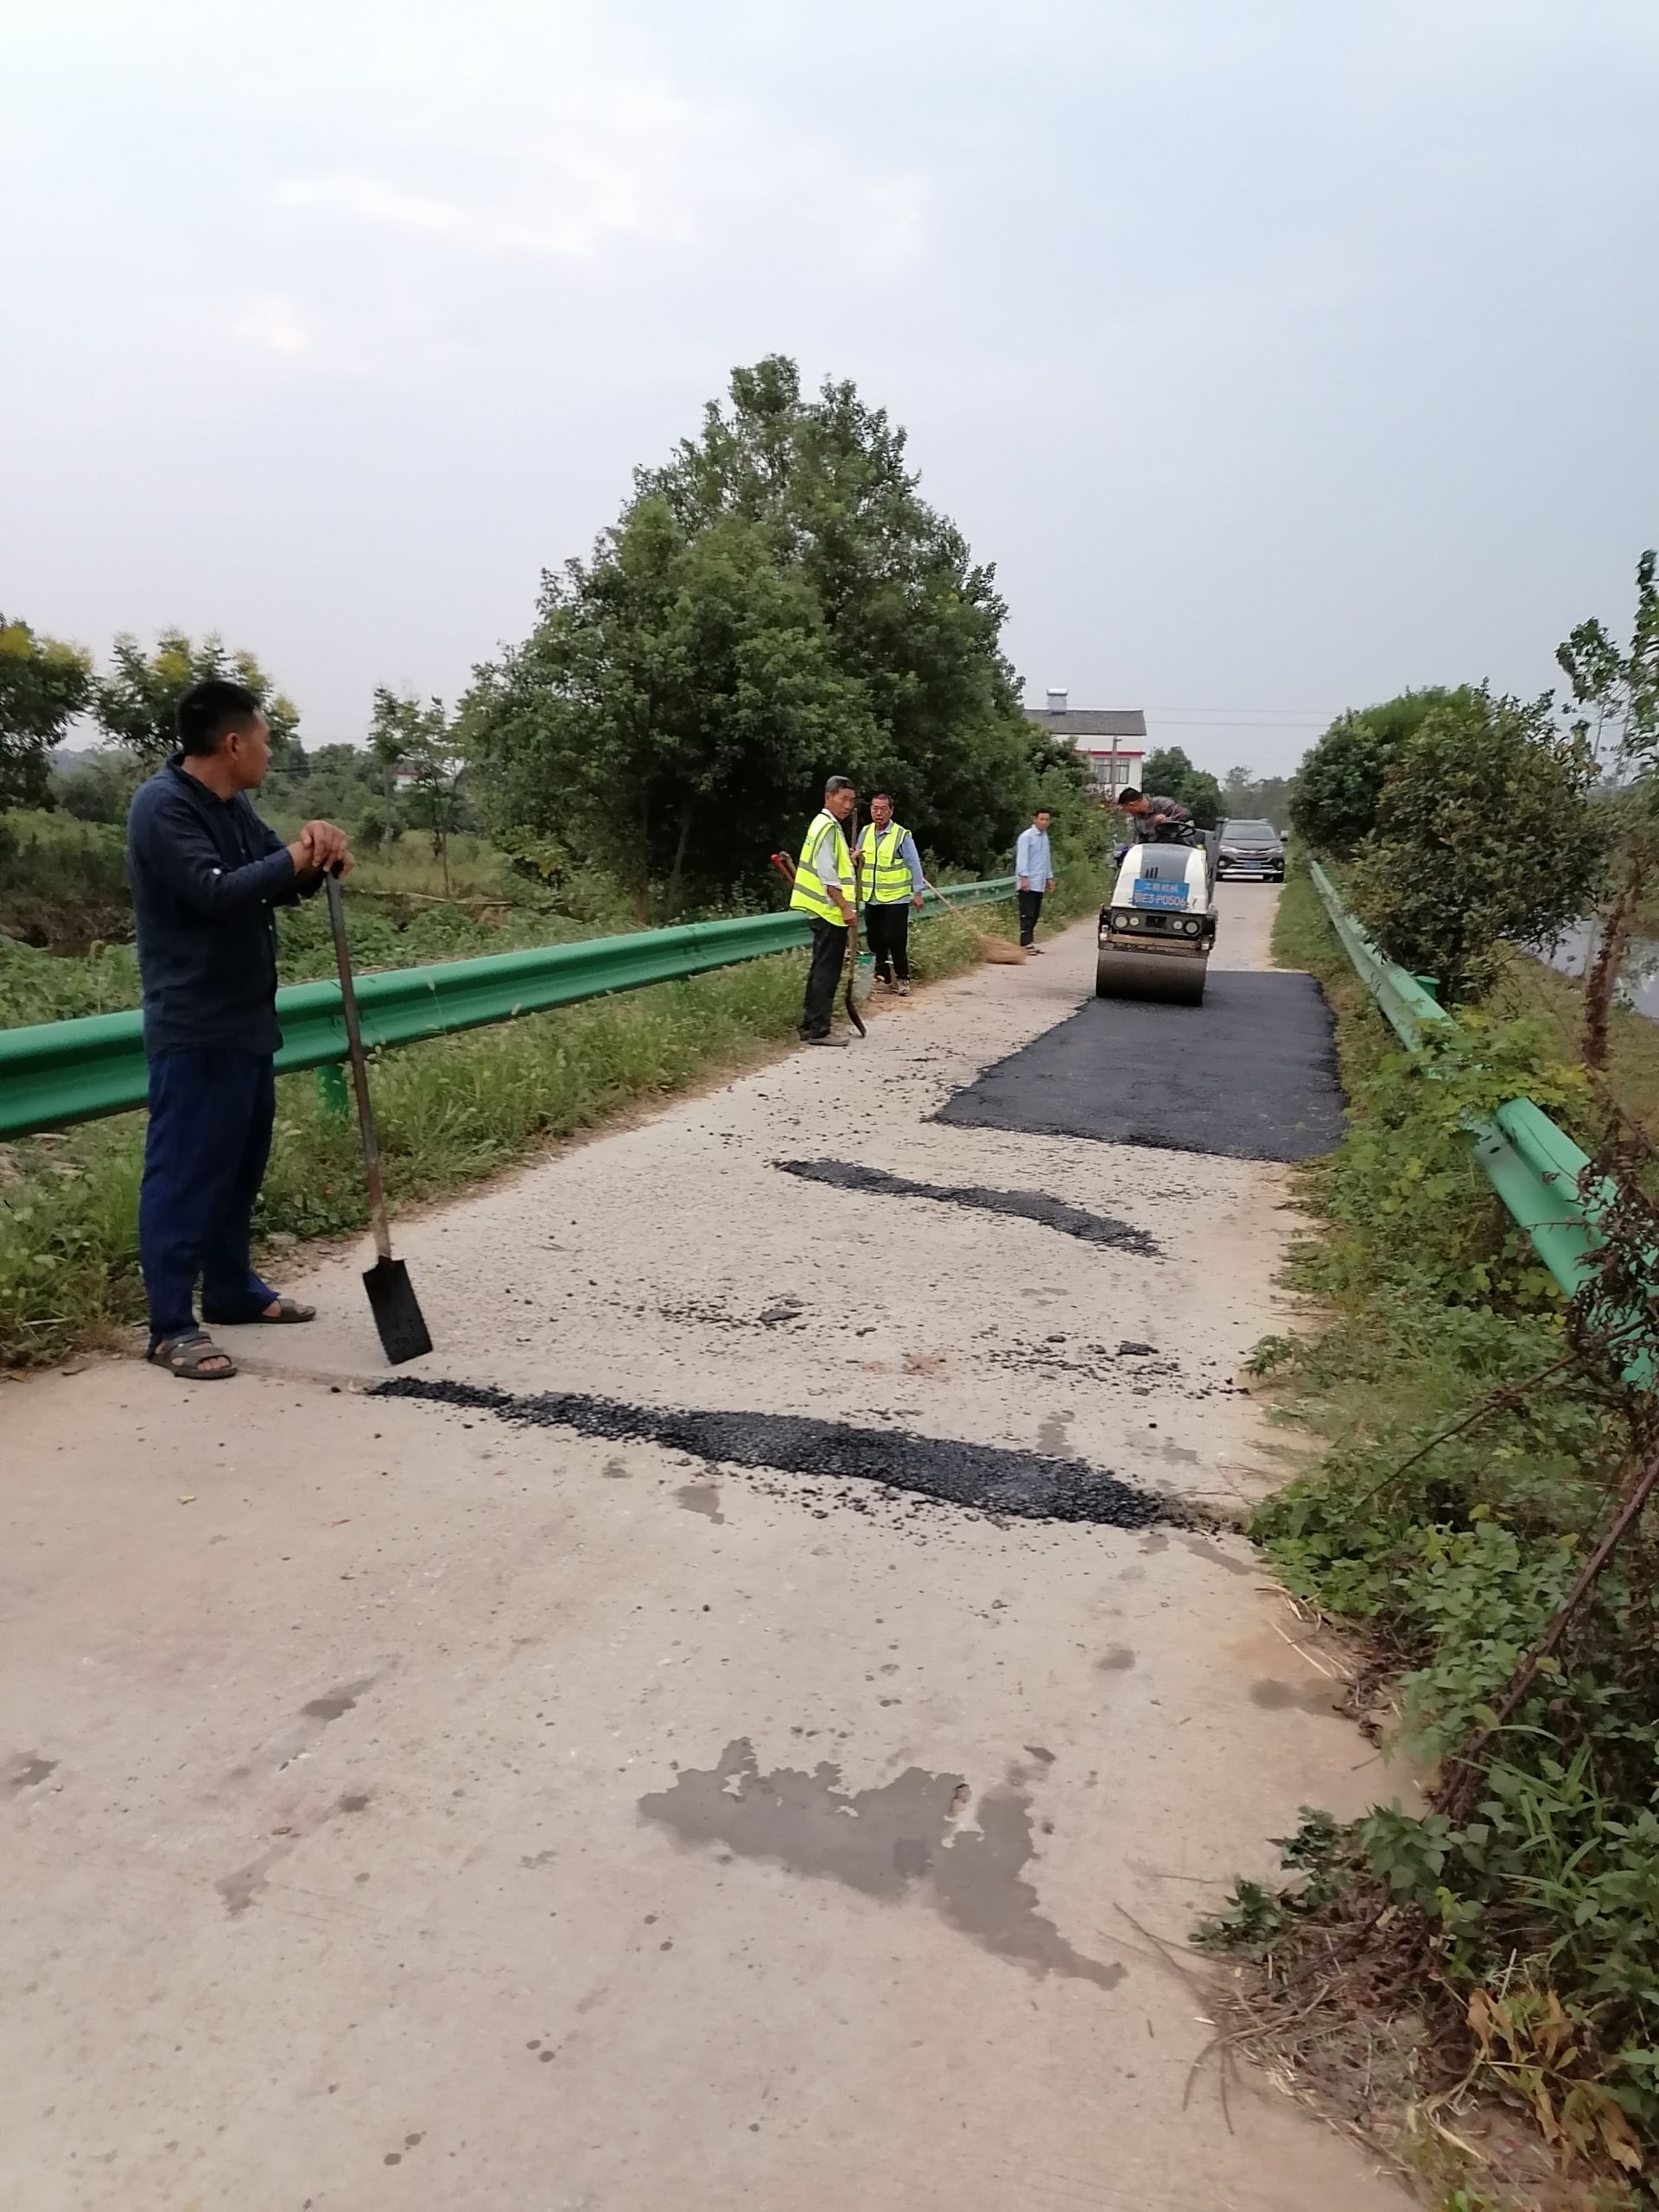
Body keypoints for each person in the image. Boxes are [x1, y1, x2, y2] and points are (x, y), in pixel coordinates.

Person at [126, 679, 354, 1379]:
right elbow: (218, 891)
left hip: (247, 1018)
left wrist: (316, 858)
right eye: (262, 737)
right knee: (186, 1173)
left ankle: (231, 1291)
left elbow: (273, 881)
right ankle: (170, 1325)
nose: (268, 749)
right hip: (196, 1023)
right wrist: (293, 852)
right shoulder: (162, 809)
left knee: (238, 1165)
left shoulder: (234, 803)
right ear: (233, 743)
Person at [790, 774, 858, 1046]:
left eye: (852, 801)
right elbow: (828, 876)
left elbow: (833, 864)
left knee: (820, 967)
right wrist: (846, 908)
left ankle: (810, 1024)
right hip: (830, 910)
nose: (848, 805)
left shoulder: (823, 825)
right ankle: (819, 1029)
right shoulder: (828, 827)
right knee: (826, 971)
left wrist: (851, 860)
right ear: (828, 797)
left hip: (822, 910)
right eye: (844, 799)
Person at [856, 793, 925, 995]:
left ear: (891, 811)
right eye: (875, 808)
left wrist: (918, 892)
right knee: (875, 939)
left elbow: (914, 864)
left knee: (895, 938)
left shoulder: (901, 835)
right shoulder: (865, 832)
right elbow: (858, 860)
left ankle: (902, 978)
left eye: (883, 809)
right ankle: (883, 977)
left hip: (896, 898)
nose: (878, 813)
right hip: (872, 896)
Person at [1014, 806, 1055, 951]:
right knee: (1027, 913)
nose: (1044, 822)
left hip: (1039, 881)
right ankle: (1025, 943)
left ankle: (1030, 941)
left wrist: (1049, 877)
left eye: (1047, 820)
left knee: (1036, 913)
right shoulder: (1027, 837)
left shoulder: (1044, 837)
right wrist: (1023, 878)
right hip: (1028, 882)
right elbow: (1022, 859)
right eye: (1042, 819)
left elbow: (1046, 859)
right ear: (1035, 819)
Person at [1116, 785, 1192, 837]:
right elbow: (1139, 838)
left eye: (1125, 809)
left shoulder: (1162, 804)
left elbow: (1186, 814)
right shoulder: (1137, 818)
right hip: (1152, 851)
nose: (1127, 812)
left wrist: (1166, 821)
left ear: (1131, 804)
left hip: (1174, 845)